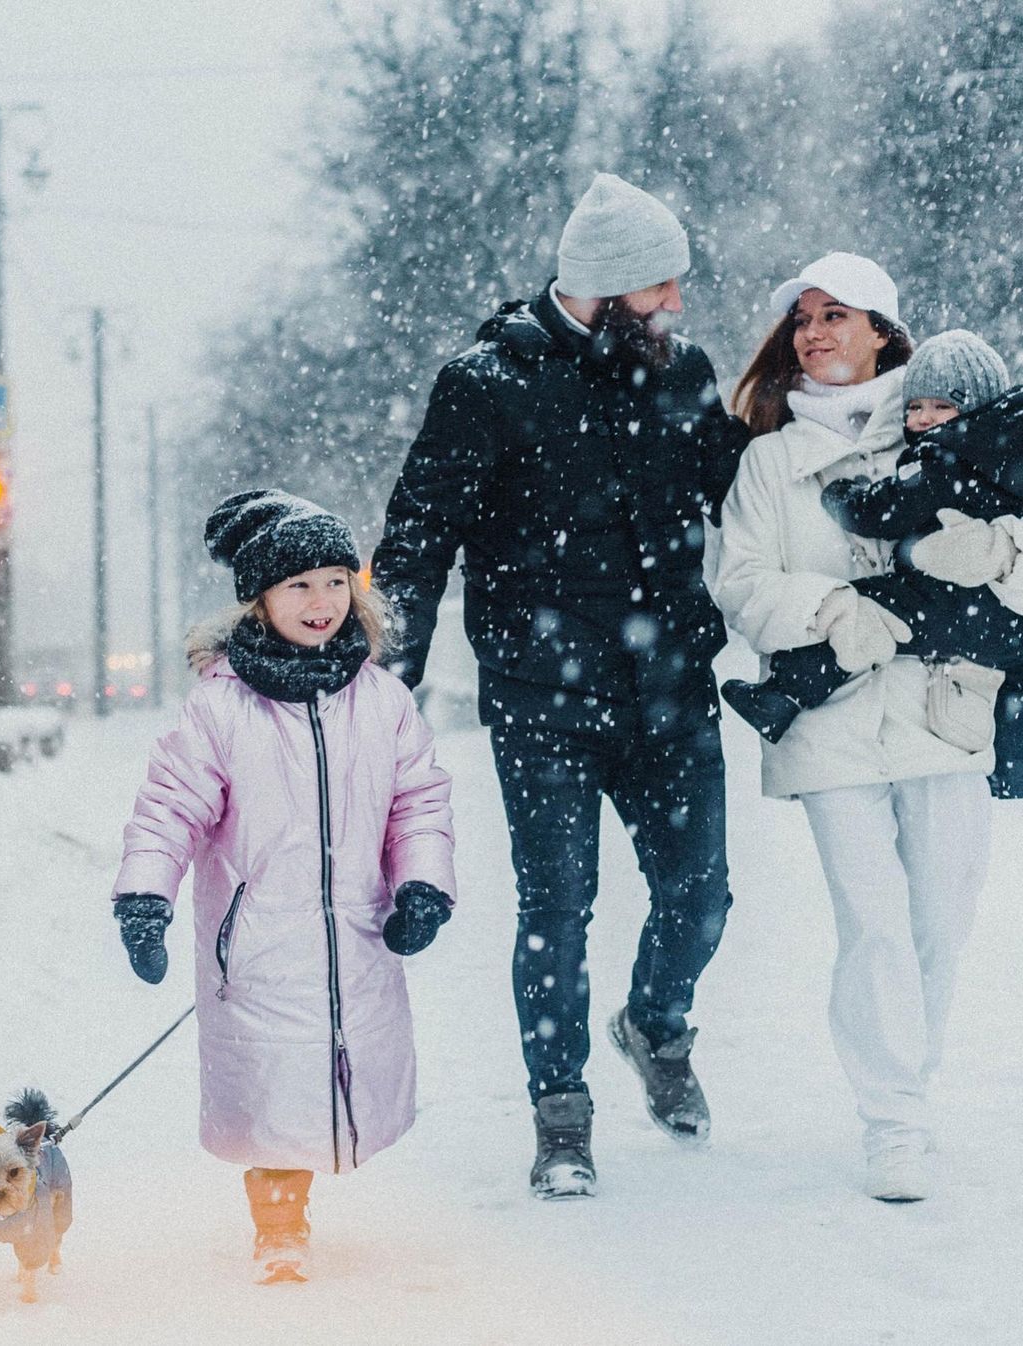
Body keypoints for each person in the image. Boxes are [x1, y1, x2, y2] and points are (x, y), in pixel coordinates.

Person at [372, 172, 748, 1198]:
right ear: (608, 287)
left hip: (670, 680)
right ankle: (562, 1116)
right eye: (662, 286)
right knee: (558, 904)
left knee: (701, 894)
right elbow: (418, 537)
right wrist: (385, 684)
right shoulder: (487, 381)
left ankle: (656, 1026)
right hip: (544, 694)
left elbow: (752, 497)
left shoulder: (681, 371)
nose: (678, 304)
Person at [110, 490, 456, 1282]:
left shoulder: (383, 700)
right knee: (271, 1088)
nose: (322, 601)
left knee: (342, 1066)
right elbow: (170, 809)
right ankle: (279, 1225)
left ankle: (309, 1189)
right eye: (298, 584)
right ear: (260, 599)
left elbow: (418, 801)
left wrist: (422, 885)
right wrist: (145, 898)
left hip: (357, 934)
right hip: (258, 943)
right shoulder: (221, 709)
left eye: (336, 580)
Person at [708, 253, 995, 1202]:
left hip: (945, 709)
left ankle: (913, 1081)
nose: (815, 333)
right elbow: (741, 582)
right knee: (871, 922)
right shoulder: (768, 460)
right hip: (828, 720)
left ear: (883, 330)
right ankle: (894, 1123)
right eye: (801, 319)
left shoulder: (957, 429)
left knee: (940, 923)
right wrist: (833, 609)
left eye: (838, 314)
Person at [720, 331, 1023, 778]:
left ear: (975, 408)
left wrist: (843, 497)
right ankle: (1012, 765)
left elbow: (882, 512)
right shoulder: (1002, 458)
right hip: (1001, 617)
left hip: (964, 606)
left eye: (942, 406)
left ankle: (783, 694)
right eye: (915, 406)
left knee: (867, 612)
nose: (924, 419)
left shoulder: (943, 458)